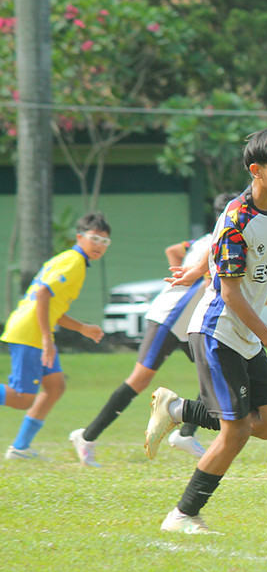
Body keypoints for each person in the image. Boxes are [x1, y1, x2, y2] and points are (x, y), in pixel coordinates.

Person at [145, 127, 267, 534]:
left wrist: (198, 268)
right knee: (235, 432)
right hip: (218, 332)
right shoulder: (239, 217)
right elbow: (231, 294)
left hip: (245, 333)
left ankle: (178, 410)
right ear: (256, 170)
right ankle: (182, 516)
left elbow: (217, 240)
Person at [68, 193, 239, 467]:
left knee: (217, 368)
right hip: (169, 317)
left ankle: (185, 435)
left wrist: (181, 275)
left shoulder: (203, 241)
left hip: (186, 322)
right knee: (140, 380)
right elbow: (212, 280)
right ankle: (86, 437)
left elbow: (173, 250)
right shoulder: (218, 243)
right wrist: (187, 285)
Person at [1, 212, 111, 460]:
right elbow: (41, 295)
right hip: (30, 332)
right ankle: (20, 447)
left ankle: (20, 448)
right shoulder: (73, 262)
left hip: (33, 329)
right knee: (22, 398)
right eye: (94, 239)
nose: (99, 246)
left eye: (105, 242)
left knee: (54, 386)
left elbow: (53, 307)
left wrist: (81, 327)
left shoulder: (70, 260)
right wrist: (46, 340)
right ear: (79, 237)